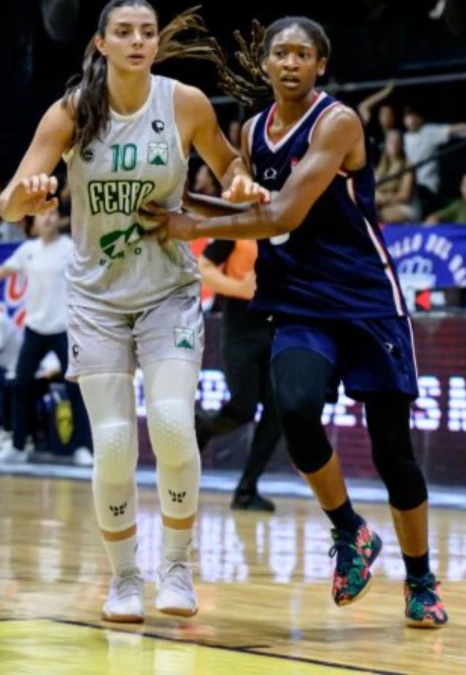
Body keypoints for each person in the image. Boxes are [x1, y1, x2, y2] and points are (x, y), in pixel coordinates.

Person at [151, 16, 447, 628]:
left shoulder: (338, 122)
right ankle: (350, 533)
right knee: (295, 408)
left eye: (301, 54)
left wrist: (193, 225)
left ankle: (420, 580)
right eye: (279, 53)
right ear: (265, 64)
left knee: (394, 454)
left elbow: (284, 210)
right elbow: (250, 207)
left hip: (367, 300)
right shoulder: (252, 129)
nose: (289, 62)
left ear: (321, 64)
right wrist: (174, 205)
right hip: (299, 300)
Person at [0, 1, 268, 624]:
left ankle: (176, 566)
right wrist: (27, 193)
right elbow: (10, 205)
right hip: (96, 298)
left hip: (167, 290)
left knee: (173, 424)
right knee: (116, 445)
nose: (138, 41)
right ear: (101, 44)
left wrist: (237, 182)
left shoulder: (184, 103)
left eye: (147, 32)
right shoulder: (71, 113)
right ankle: (124, 580)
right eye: (124, 32)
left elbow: (229, 162)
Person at [0, 210, 92, 467]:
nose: (48, 219)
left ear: (59, 220)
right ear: (34, 223)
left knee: (76, 387)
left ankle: (84, 447)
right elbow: (4, 271)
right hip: (34, 329)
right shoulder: (28, 250)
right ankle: (18, 446)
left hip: (63, 329)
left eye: (52, 214)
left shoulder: (70, 248)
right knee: (20, 385)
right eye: (42, 215)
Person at [194, 237, 280, 512]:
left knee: (277, 411)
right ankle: (202, 427)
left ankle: (246, 490)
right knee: (243, 406)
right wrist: (240, 288)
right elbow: (203, 267)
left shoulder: (291, 223)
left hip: (279, 324)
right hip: (241, 324)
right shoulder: (239, 223)